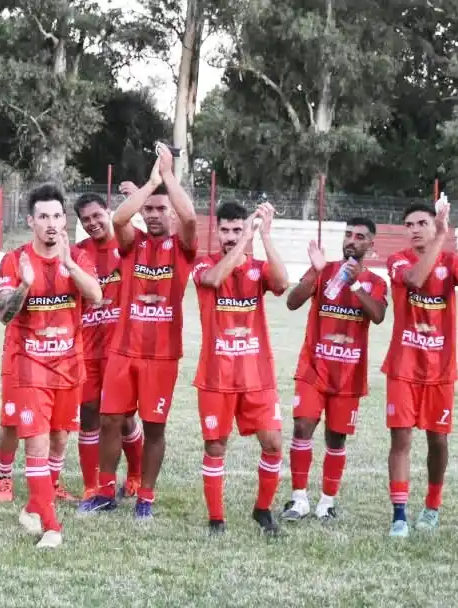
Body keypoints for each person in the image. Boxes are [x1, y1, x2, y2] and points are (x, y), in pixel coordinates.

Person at [78, 145, 197, 519]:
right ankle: (104, 492)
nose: (155, 215)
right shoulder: (133, 244)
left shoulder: (182, 247)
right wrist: (150, 184)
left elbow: (190, 216)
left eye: (162, 209)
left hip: (162, 355)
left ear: (170, 213)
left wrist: (169, 176)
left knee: (155, 427)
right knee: (110, 420)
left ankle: (146, 496)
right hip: (123, 351)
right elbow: (118, 219)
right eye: (150, 210)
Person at [0, 183, 102, 549]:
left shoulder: (78, 258)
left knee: (59, 440)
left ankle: (34, 505)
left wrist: (70, 266)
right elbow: (4, 314)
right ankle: (52, 526)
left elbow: (96, 295)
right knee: (36, 446)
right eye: (44, 217)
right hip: (30, 366)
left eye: (57, 216)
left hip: (69, 366)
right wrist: (25, 285)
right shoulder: (16, 260)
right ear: (31, 221)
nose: (52, 223)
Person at [382, 200, 458, 537]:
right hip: (403, 366)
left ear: (434, 224)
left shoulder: (450, 261)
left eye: (422, 223)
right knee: (401, 438)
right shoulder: (397, 260)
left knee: (438, 441)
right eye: (409, 225)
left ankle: (432, 506)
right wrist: (441, 236)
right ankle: (399, 515)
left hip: (440, 368)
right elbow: (415, 279)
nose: (414, 230)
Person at [190, 202, 288, 535]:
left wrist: (265, 236)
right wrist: (246, 238)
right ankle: (216, 519)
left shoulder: (258, 269)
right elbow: (214, 279)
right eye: (226, 230)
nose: (231, 236)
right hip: (216, 376)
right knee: (216, 446)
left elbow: (282, 283)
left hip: (257, 376)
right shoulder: (204, 264)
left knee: (273, 443)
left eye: (237, 229)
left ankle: (262, 511)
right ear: (216, 231)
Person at [281, 218, 388, 522]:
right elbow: (292, 302)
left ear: (371, 245)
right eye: (348, 234)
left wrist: (354, 284)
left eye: (360, 237)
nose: (352, 240)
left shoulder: (376, 282)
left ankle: (327, 502)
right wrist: (315, 272)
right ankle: (299, 499)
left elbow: (378, 315)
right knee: (302, 427)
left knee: (336, 437)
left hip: (349, 373)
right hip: (313, 368)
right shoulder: (324, 269)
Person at [72, 192, 144, 501]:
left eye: (97, 215)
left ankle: (136, 475)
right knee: (88, 415)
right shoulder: (78, 253)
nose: (92, 223)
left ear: (108, 211)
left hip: (121, 349)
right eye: (85, 219)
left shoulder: (128, 246)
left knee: (123, 417)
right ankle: (92, 486)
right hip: (88, 349)